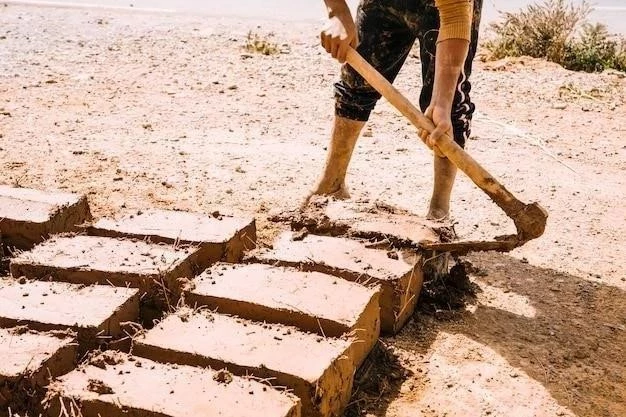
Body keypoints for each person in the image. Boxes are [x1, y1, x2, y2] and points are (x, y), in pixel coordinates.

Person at [305, 0, 482, 221]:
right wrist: (337, 11)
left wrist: (442, 102)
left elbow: (455, 14)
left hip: (446, 8)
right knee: (355, 83)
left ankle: (439, 211)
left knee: (447, 110)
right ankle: (332, 184)